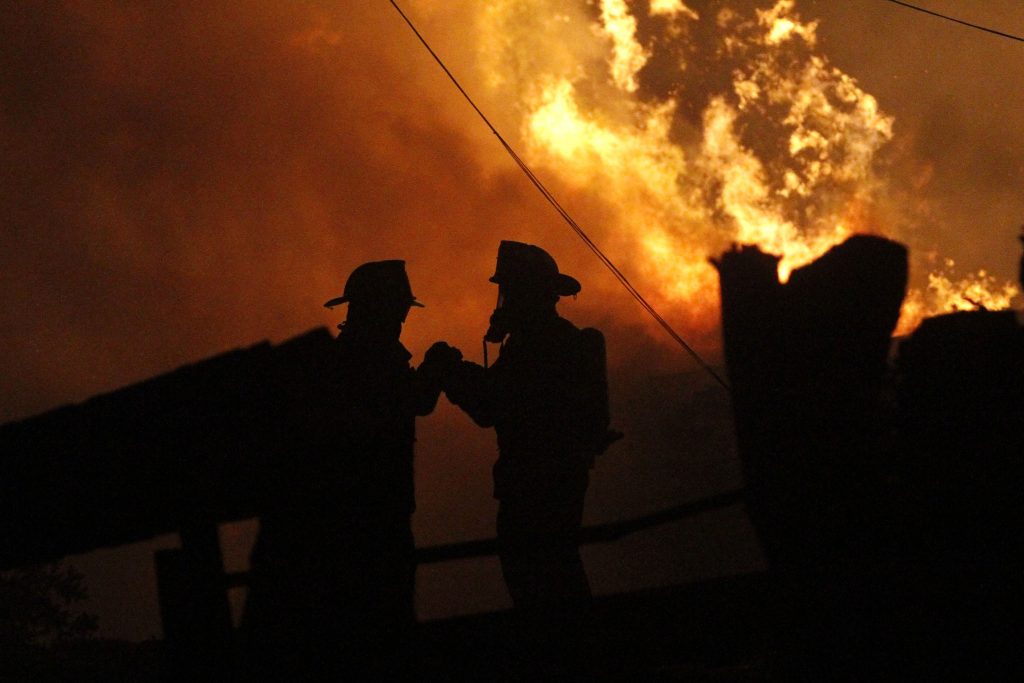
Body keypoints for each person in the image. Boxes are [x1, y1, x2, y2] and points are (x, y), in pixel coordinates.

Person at [241, 260, 459, 680]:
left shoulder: (344, 359)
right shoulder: (368, 361)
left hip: (356, 517)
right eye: (397, 309)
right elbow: (411, 400)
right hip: (370, 520)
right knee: (377, 628)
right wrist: (435, 368)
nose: (401, 319)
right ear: (380, 309)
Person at [443, 241, 617, 673]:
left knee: (539, 582)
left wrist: (451, 369)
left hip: (533, 484)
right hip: (561, 479)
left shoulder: (537, 348)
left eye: (509, 292)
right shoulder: (563, 343)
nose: (503, 302)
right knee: (560, 573)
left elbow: (491, 405)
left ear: (525, 295)